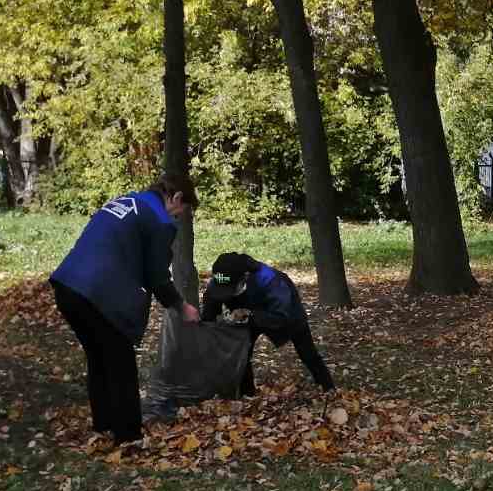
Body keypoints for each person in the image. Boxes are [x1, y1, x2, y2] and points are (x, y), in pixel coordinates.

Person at [50, 176, 199, 444]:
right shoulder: (160, 221)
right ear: (176, 199)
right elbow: (157, 277)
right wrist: (181, 306)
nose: (178, 218)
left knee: (99, 358)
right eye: (182, 212)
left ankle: (104, 425)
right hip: (97, 293)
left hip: (67, 286)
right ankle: (129, 438)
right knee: (121, 363)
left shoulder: (126, 200)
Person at [201, 253, 334, 393]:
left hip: (284, 313)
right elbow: (211, 302)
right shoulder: (222, 278)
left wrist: (250, 315)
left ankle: (329, 389)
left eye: (230, 290)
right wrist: (207, 326)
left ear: (245, 277)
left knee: (307, 352)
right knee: (242, 352)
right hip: (245, 313)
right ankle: (247, 395)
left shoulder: (271, 280)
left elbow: (282, 316)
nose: (225, 294)